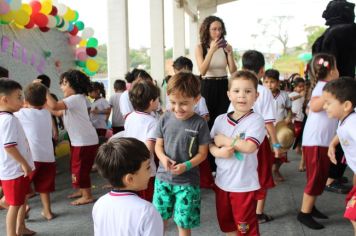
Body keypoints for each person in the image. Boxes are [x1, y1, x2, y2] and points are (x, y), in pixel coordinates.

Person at [153, 72, 210, 236]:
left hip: (187, 182)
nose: (177, 108)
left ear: (197, 99)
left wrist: (186, 166)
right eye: (173, 102)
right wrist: (163, 159)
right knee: (158, 220)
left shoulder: (200, 123)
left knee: (183, 223)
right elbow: (158, 146)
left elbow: (203, 153)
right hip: (163, 179)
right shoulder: (164, 118)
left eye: (184, 103)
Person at [210, 70, 266, 236]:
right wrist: (218, 153)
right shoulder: (220, 119)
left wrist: (226, 141)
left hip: (243, 186)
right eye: (236, 91)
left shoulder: (256, 120)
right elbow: (211, 144)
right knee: (227, 226)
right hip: (221, 183)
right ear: (229, 94)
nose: (242, 96)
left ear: (256, 96)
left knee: (245, 229)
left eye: (248, 91)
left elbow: (250, 147)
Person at [228, 50, 280, 223]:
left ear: (242, 66)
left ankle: (240, 210)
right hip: (258, 141)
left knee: (240, 173)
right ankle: (257, 213)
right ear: (262, 70)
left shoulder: (236, 87)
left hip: (237, 138)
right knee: (262, 176)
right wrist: (276, 144)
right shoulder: (263, 91)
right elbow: (268, 122)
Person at [312, 0, 356, 194]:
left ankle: (331, 174)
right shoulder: (347, 30)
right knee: (343, 128)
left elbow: (321, 62)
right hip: (343, 88)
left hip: (329, 86)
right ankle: (332, 176)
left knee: (336, 130)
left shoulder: (328, 33)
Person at [43, 69, 99, 206]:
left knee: (81, 169)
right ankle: (82, 190)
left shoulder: (75, 99)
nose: (61, 87)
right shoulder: (74, 100)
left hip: (84, 141)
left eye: (64, 83)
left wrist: (44, 90)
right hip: (80, 141)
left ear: (74, 84)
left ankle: (87, 195)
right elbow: (57, 112)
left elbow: (55, 105)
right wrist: (44, 105)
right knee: (77, 167)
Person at [297, 53, 339, 230]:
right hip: (316, 141)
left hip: (321, 141)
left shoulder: (323, 86)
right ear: (330, 71)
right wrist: (332, 92)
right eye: (336, 67)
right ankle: (304, 213)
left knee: (319, 176)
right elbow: (314, 106)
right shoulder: (323, 87)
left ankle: (311, 207)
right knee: (315, 178)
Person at [93, 138, 164, 236]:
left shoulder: (99, 204)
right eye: (148, 167)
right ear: (130, 179)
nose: (151, 171)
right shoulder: (146, 211)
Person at [15, 83, 56, 220]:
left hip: (32, 158)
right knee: (44, 187)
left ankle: (24, 208)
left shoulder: (23, 113)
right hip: (48, 157)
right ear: (45, 101)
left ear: (25, 101)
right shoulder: (46, 113)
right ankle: (47, 211)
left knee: (24, 188)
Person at [0, 78, 35, 236]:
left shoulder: (7, 117)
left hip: (14, 169)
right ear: (5, 99)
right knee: (14, 205)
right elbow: (9, 147)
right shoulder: (8, 120)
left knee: (22, 200)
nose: (23, 100)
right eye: (19, 97)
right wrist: (24, 164)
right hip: (14, 170)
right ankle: (11, 234)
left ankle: (21, 228)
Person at [323, 78, 356, 234]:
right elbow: (340, 132)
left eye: (329, 103)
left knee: (353, 215)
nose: (324, 106)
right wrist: (332, 144)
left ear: (346, 105)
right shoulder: (345, 119)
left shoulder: (352, 123)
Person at [195, 15, 237, 128]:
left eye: (220, 29)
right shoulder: (200, 47)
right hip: (207, 85)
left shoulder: (226, 46)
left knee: (223, 118)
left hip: (223, 84)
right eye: (214, 29)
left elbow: (233, 70)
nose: (218, 32)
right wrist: (211, 51)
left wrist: (229, 54)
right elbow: (202, 71)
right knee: (207, 119)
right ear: (207, 30)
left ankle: (220, 143)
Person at [122, 80, 160, 202]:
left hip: (129, 166)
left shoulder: (130, 117)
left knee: (134, 200)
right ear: (151, 102)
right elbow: (149, 149)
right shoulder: (153, 122)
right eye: (158, 99)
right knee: (147, 201)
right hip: (145, 171)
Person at [263, 69, 292, 182]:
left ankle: (275, 169)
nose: (269, 85)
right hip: (265, 128)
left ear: (278, 82)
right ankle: (266, 172)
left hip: (280, 128)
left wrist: (289, 117)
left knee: (282, 152)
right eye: (266, 82)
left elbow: (289, 110)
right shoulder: (261, 95)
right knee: (266, 152)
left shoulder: (284, 95)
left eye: (272, 82)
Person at [288, 77, 306, 170]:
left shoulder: (304, 95)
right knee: (298, 139)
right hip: (295, 120)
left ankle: (303, 162)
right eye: (300, 86)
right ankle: (303, 163)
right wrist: (300, 96)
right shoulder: (293, 94)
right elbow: (290, 99)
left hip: (301, 119)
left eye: (303, 86)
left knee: (300, 142)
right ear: (294, 87)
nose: (302, 88)